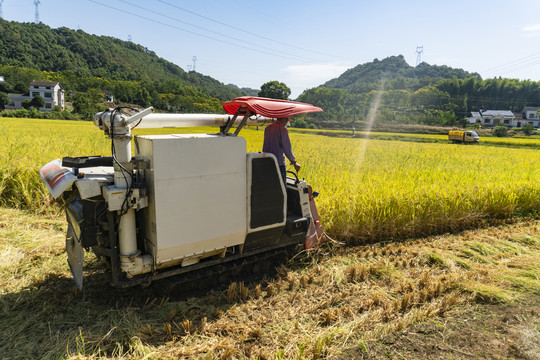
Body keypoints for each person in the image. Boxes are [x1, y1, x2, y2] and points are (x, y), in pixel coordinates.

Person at [262, 117, 301, 184]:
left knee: (269, 185)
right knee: (281, 186)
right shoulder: (282, 129)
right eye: (287, 121)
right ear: (283, 119)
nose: (286, 123)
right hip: (278, 163)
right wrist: (294, 163)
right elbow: (287, 147)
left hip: (267, 162)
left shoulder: (267, 128)